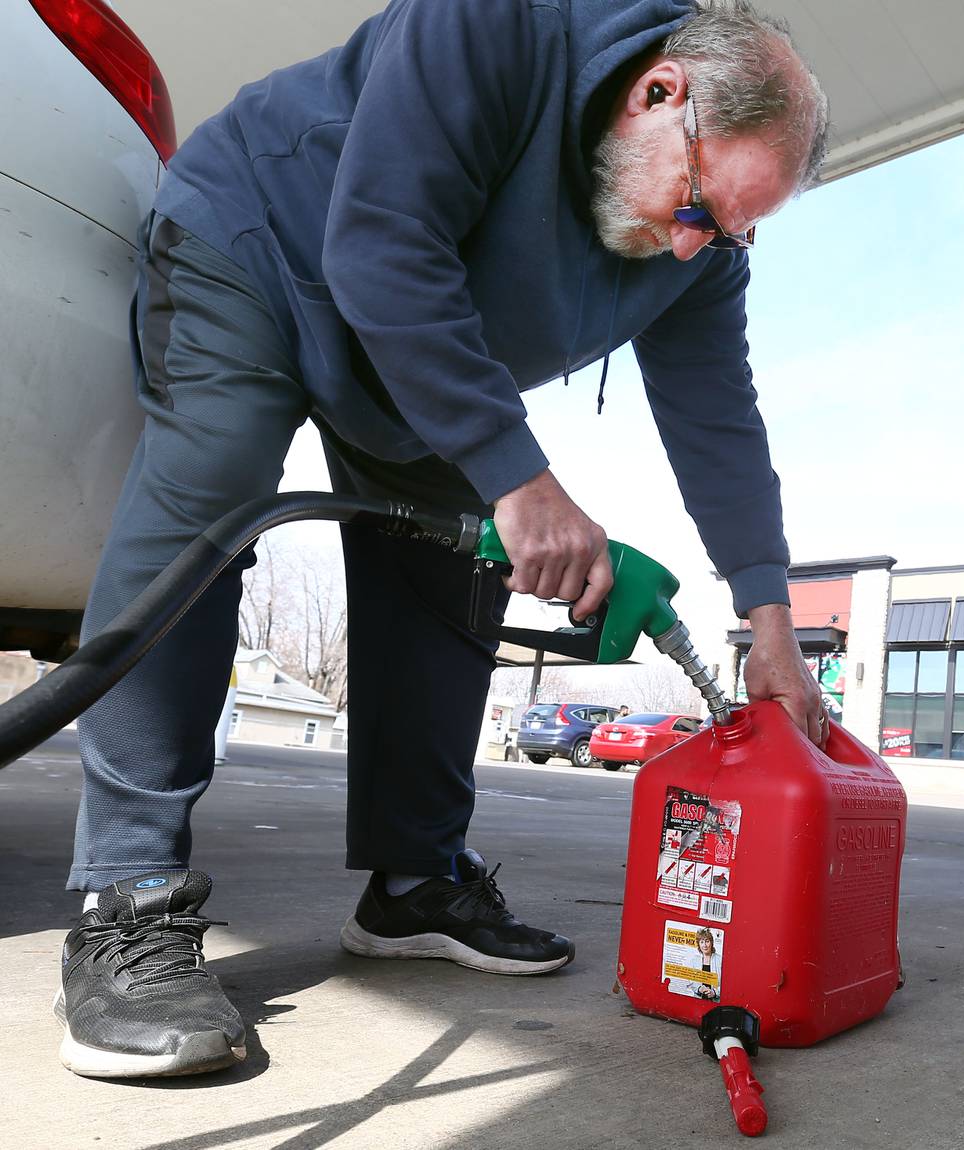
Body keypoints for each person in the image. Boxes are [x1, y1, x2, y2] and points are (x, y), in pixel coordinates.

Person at [56, 0, 828, 1080]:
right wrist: (523, 479)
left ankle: (413, 882)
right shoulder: (500, 24)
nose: (694, 244)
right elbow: (379, 241)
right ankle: (125, 898)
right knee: (211, 494)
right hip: (264, 249)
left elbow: (718, 418)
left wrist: (771, 619)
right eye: (697, 206)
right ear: (662, 94)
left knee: (448, 568)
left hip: (420, 352)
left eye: (729, 231)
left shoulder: (698, 253)